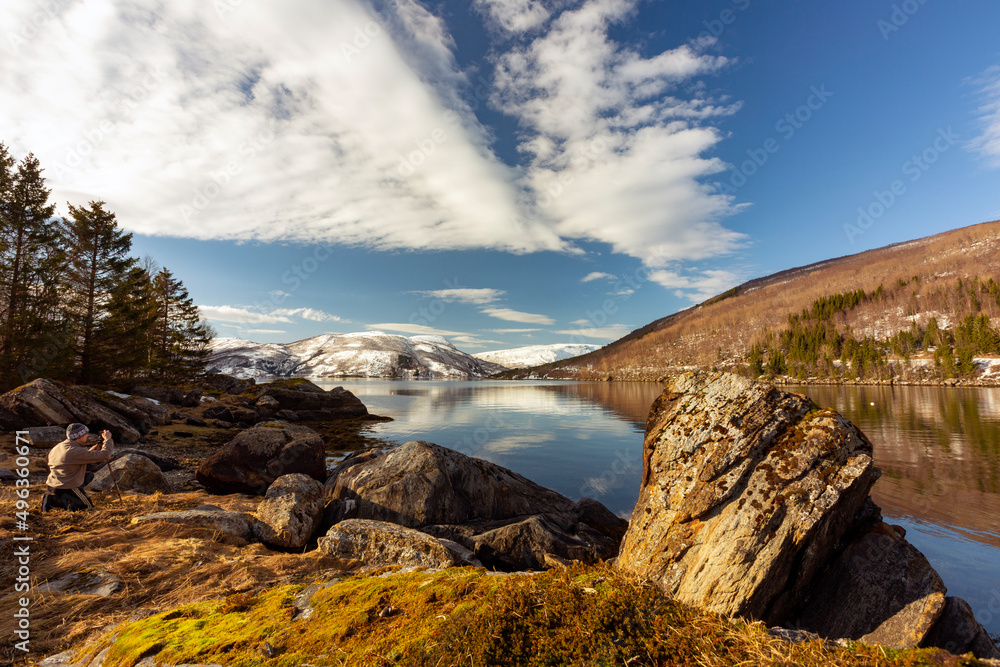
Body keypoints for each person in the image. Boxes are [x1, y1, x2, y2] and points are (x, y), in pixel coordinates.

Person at [41, 423, 114, 511]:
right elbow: (105, 455)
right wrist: (108, 440)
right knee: (88, 509)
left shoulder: (59, 447)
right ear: (79, 436)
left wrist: (90, 451)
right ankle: (55, 501)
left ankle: (56, 498)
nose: (87, 435)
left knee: (88, 475)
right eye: (85, 434)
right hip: (67, 487)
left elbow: (70, 460)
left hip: (53, 484)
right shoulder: (75, 451)